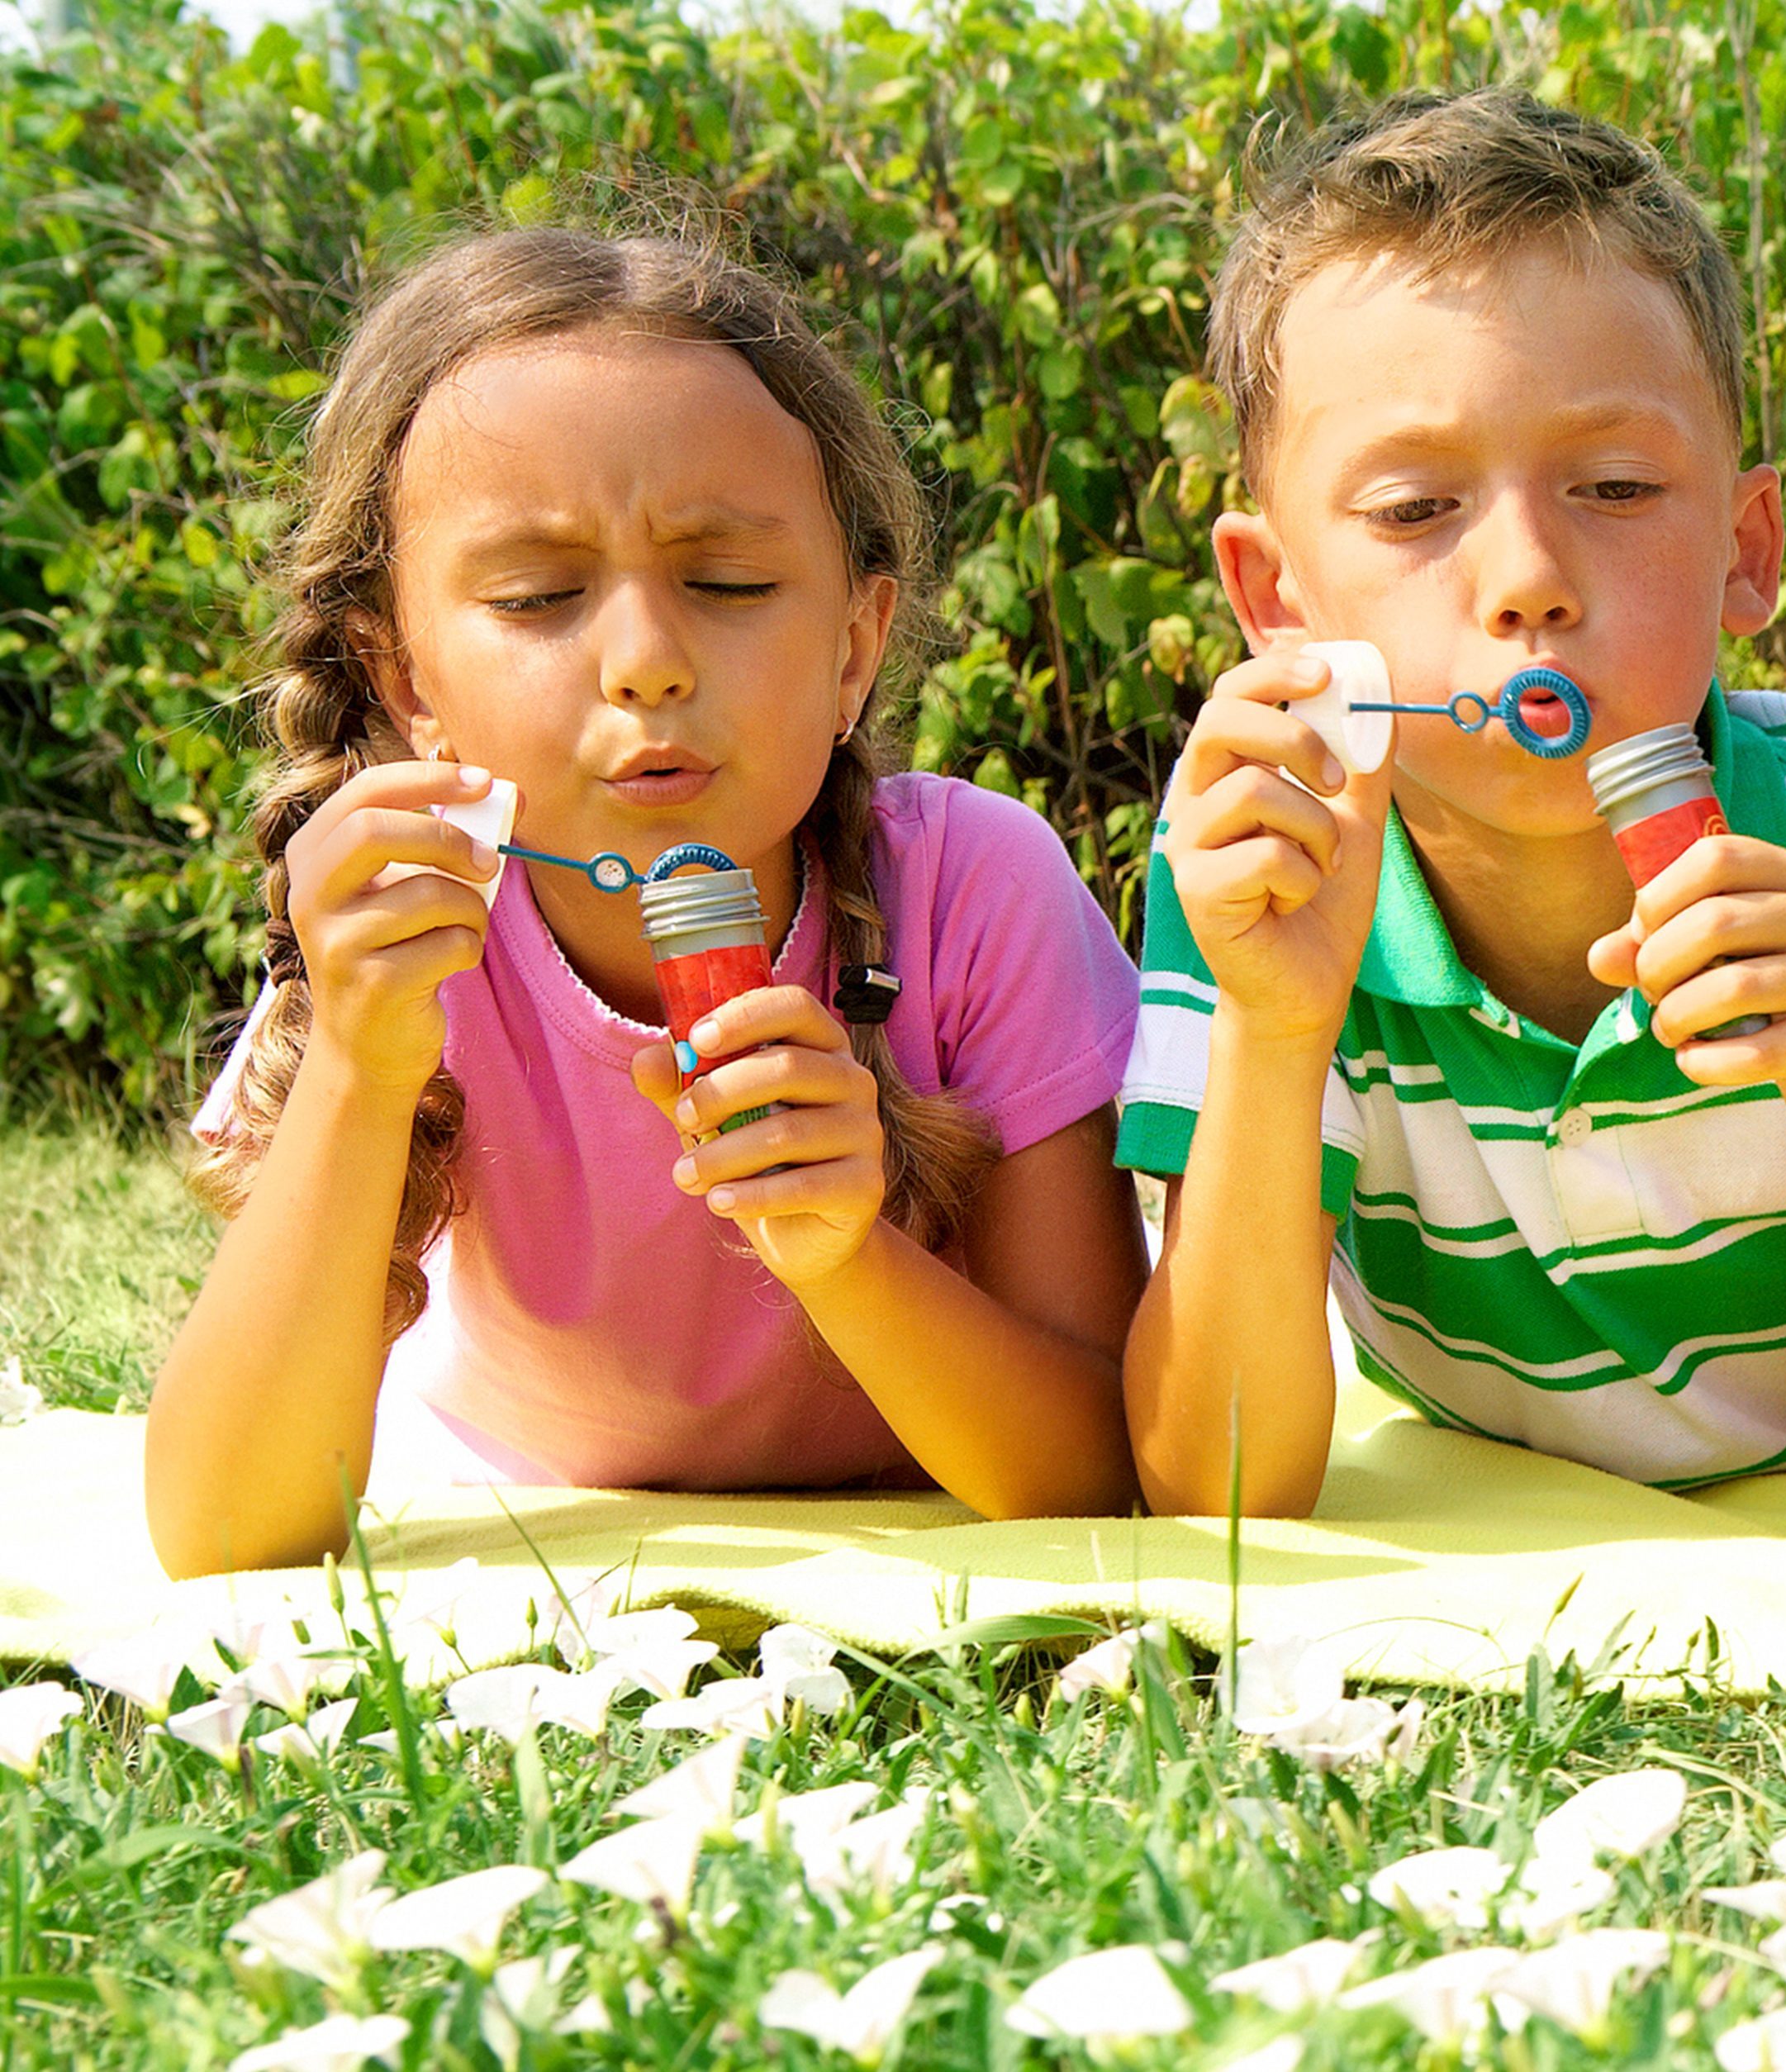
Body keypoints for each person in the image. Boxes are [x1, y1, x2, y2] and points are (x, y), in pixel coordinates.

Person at [1121, 92, 1786, 1537]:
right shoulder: (1260, 875)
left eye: (1614, 486)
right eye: (1416, 509)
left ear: (1749, 554)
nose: (1528, 579)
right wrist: (1277, 1025)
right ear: (1274, 603)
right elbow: (1217, 1490)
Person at [151, 229, 1147, 1575]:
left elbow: (1095, 1470)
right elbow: (223, 1536)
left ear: (854, 649)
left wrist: (844, 1254)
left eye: (726, 583)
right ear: (406, 681)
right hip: (532, 1501)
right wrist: (353, 1066)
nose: (646, 664)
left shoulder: (976, 893)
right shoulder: (406, 923)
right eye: (538, 596)